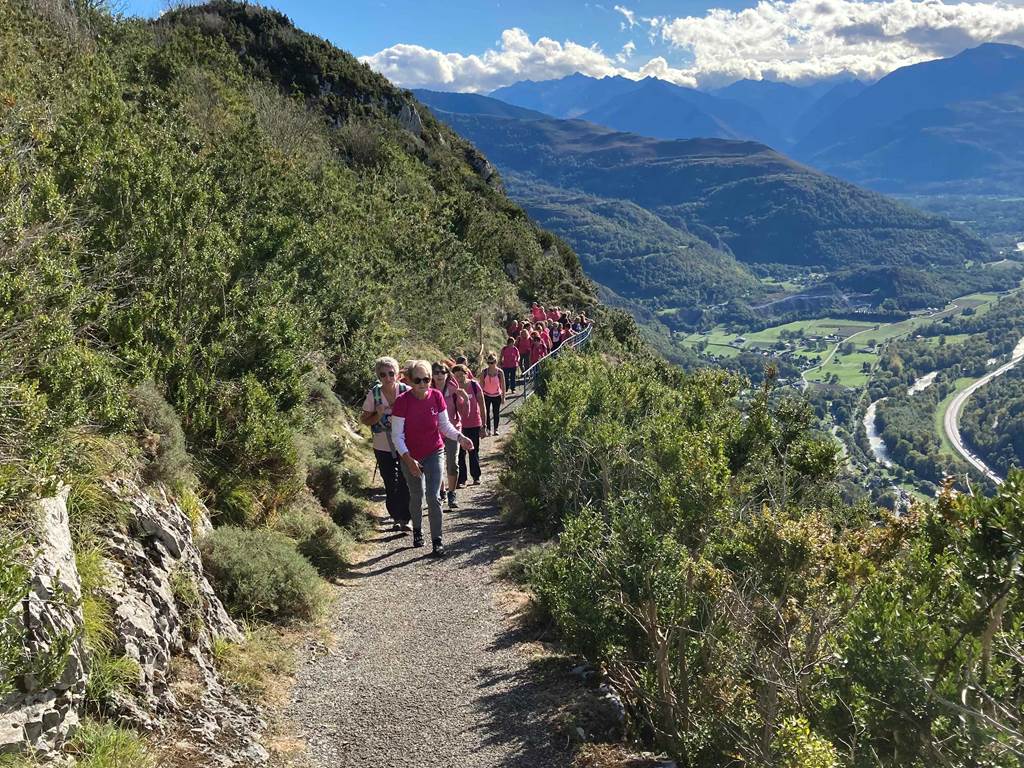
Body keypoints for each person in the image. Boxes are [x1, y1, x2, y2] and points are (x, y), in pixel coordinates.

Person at [391, 360, 473, 557]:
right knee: (417, 495)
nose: (422, 383)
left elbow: (444, 426)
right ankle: (418, 530)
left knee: (433, 497)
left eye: (426, 379)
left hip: (434, 451)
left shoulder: (436, 397)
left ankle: (438, 540)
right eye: (417, 379)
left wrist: (460, 437)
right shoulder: (402, 401)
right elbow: (397, 436)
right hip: (410, 454)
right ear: (409, 380)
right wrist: (409, 460)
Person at [360, 357, 412, 531]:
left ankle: (406, 518)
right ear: (378, 376)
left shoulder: (406, 391)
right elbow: (365, 420)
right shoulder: (374, 394)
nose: (388, 377)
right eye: (383, 374)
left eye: (391, 373)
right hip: (382, 445)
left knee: (406, 480)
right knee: (390, 482)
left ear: (397, 374)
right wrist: (377, 414)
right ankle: (396, 517)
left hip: (406, 444)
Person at [432, 362, 465, 510]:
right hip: (434, 432)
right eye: (436, 372)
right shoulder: (427, 390)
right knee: (436, 465)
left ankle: (452, 493)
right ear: (432, 375)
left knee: (452, 463)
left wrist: (464, 398)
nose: (439, 375)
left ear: (447, 374)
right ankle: (442, 491)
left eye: (442, 372)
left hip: (453, 430)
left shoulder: (453, 389)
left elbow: (465, 411)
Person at [451, 364, 484, 486]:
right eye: (456, 375)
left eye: (461, 374)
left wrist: (484, 425)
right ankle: (462, 479)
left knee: (473, 452)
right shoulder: (453, 388)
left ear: (466, 373)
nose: (459, 377)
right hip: (458, 425)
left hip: (474, 423)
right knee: (460, 454)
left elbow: (482, 405)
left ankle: (476, 476)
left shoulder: (474, 385)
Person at [480, 354, 505, 436]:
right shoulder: (484, 372)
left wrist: (503, 397)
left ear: (496, 362)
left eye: (493, 362)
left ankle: (496, 429)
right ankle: (488, 429)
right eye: (489, 362)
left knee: (496, 412)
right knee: (486, 412)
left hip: (497, 395)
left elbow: (503, 385)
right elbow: (481, 385)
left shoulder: (500, 372)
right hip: (486, 395)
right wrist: (480, 397)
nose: (491, 364)